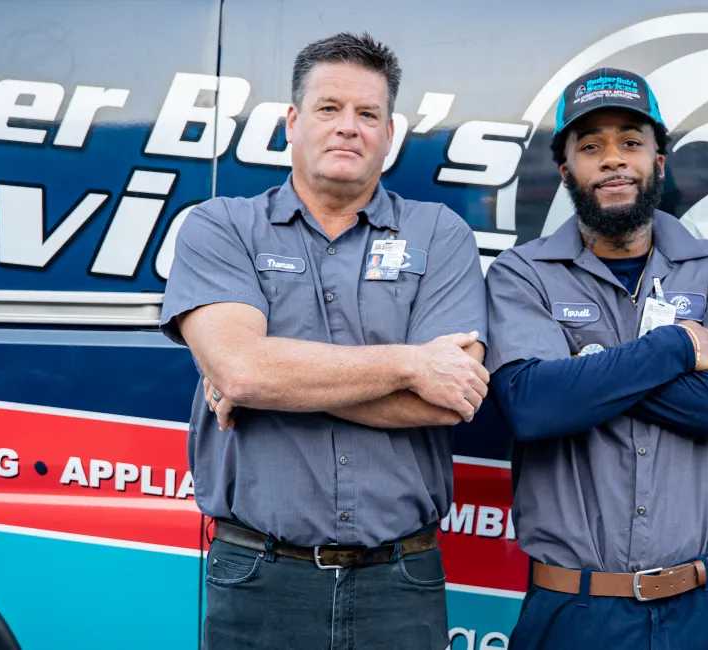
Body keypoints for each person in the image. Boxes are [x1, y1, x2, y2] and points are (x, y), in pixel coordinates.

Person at [160, 32, 488, 650]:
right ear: (292, 121)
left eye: (368, 114)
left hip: (400, 579)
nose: (348, 128)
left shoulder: (440, 233)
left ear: (389, 134)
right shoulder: (220, 225)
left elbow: (446, 399)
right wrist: (407, 363)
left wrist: (269, 378)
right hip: (260, 574)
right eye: (329, 108)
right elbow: (242, 371)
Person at [483, 67, 708, 649]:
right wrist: (672, 349)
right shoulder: (523, 273)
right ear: (566, 168)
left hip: (706, 610)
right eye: (591, 146)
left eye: (631, 142)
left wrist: (587, 369)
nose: (613, 159)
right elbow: (534, 407)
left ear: (659, 162)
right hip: (576, 611)